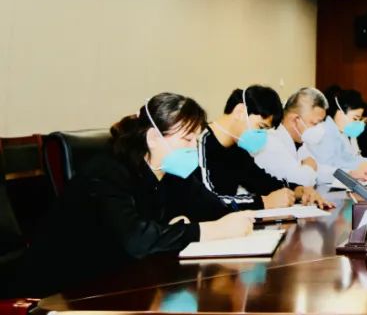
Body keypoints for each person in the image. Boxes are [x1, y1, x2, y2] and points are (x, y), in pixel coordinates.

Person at [5, 94, 255, 297]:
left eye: (196, 141)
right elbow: (137, 240)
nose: (194, 149)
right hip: (63, 290)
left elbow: (217, 211)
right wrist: (206, 230)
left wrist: (186, 227)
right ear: (153, 138)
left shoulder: (172, 172)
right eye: (187, 140)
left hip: (125, 280)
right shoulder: (107, 171)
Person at [199, 86, 324, 210]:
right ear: (240, 112)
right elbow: (210, 202)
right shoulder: (199, 141)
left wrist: (299, 190)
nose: (263, 135)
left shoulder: (237, 149)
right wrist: (264, 202)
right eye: (261, 127)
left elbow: (263, 182)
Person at [309, 85, 367, 181]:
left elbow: (348, 158)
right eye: (355, 119)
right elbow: (329, 168)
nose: (358, 123)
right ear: (340, 113)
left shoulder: (340, 133)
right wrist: (361, 166)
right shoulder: (323, 133)